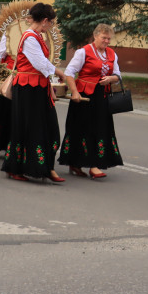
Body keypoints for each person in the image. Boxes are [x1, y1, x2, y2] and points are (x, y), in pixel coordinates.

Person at [1, 2, 79, 182]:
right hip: (28, 88)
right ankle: (18, 168)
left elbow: (42, 65)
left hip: (37, 87)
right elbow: (40, 64)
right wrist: (59, 73)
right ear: (44, 20)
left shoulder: (36, 36)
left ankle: (45, 167)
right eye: (50, 22)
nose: (50, 26)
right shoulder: (29, 38)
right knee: (29, 127)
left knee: (46, 127)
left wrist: (51, 80)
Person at [58, 23, 125, 179]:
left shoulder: (112, 54)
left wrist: (111, 78)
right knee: (82, 129)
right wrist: (74, 92)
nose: (107, 41)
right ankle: (76, 162)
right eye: (104, 38)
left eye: (109, 38)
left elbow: (118, 75)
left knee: (100, 129)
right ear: (95, 36)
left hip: (102, 97)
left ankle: (94, 165)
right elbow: (69, 73)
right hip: (84, 97)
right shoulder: (84, 52)